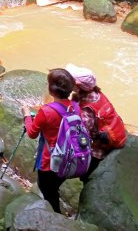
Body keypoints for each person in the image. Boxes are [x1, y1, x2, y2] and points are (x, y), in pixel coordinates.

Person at [21, 68, 75, 213]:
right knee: (54, 186)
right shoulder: (75, 107)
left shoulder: (46, 111)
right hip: (69, 157)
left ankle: (55, 216)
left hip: (50, 160)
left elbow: (32, 133)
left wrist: (27, 115)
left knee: (46, 188)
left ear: (52, 89)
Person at [66, 63, 127, 181]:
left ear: (77, 86)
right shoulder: (97, 93)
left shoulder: (87, 110)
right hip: (113, 130)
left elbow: (84, 133)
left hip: (98, 149)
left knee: (85, 176)